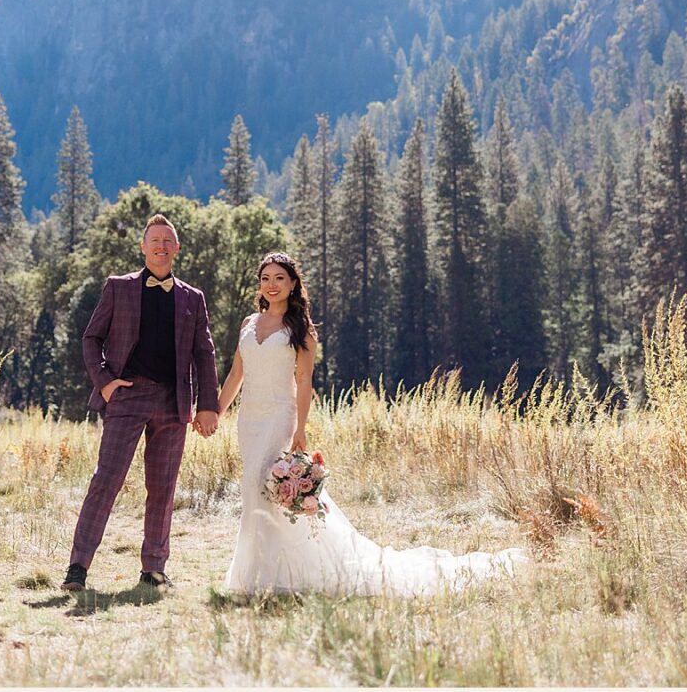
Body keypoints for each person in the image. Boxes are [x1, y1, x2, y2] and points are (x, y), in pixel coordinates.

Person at [219, 251, 527, 595]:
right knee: (256, 491)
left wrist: (300, 428)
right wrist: (215, 412)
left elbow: (304, 381)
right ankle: (262, 574)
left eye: (279, 278)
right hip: (248, 419)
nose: (271, 285)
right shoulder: (249, 323)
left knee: (265, 488)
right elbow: (236, 373)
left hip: (279, 417)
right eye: (265, 278)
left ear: (292, 284)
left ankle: (273, 578)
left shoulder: (301, 330)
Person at [62, 214, 219, 593]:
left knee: (163, 488)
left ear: (177, 249)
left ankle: (154, 569)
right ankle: (78, 568)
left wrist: (208, 405)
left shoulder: (192, 298)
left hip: (173, 402)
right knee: (106, 480)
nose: (161, 246)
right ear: (143, 247)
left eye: (168, 241)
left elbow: (205, 353)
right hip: (127, 396)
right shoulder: (119, 288)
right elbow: (91, 338)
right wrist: (105, 384)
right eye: (155, 240)